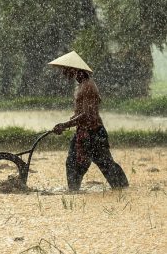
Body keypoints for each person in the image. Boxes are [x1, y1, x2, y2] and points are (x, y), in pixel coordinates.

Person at [48, 51, 129, 191]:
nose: (63, 73)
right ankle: (120, 188)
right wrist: (68, 122)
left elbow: (87, 115)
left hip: (93, 133)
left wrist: (65, 124)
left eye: (65, 70)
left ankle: (75, 192)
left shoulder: (88, 87)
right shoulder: (81, 86)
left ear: (74, 70)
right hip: (85, 132)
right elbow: (80, 113)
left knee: (101, 164)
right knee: (86, 163)